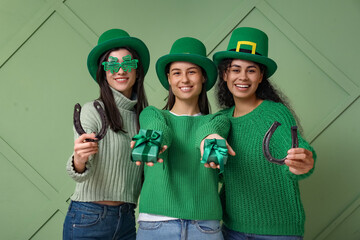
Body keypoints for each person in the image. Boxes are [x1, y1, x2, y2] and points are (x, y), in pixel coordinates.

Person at [213, 27, 316, 240]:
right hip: (232, 230)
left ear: (261, 77)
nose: (243, 77)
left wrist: (304, 160)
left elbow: (295, 149)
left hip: (278, 232)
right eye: (235, 69)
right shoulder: (221, 120)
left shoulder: (274, 113)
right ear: (225, 75)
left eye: (251, 70)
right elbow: (221, 174)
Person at [134, 37, 234, 240]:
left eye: (192, 72)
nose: (184, 80)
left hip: (205, 227)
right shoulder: (152, 114)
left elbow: (211, 129)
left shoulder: (219, 120)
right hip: (156, 225)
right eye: (177, 73)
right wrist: (154, 140)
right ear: (169, 79)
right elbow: (158, 127)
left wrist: (210, 138)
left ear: (203, 77)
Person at [63, 28, 150, 240]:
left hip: (127, 219)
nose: (121, 70)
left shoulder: (146, 117)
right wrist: (79, 159)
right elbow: (79, 171)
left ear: (137, 70)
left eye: (128, 63)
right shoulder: (92, 110)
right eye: (112, 64)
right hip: (88, 218)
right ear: (103, 71)